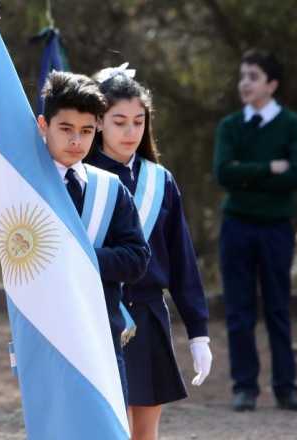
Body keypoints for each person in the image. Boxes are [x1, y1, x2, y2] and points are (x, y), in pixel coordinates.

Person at [84, 67, 212, 440]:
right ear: (99, 122)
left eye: (138, 121)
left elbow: (182, 261)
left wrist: (198, 332)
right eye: (119, 121)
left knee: (145, 432)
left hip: (149, 313)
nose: (130, 132)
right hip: (99, 311)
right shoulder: (80, 176)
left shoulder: (160, 180)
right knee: (107, 428)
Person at [35, 71, 150, 402]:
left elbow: (137, 257)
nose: (76, 141)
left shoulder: (109, 188)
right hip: (47, 336)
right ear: (44, 125)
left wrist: (81, 257)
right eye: (66, 129)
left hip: (102, 333)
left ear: (97, 128)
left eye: (86, 131)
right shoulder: (27, 189)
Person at [213, 49, 297, 413]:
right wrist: (271, 168)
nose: (244, 83)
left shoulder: (293, 125)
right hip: (236, 226)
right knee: (238, 310)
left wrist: (247, 172)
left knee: (278, 309)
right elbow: (224, 173)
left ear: (272, 84)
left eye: (253, 76)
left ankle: (286, 388)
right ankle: (245, 388)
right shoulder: (230, 127)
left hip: (276, 230)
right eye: (242, 76)